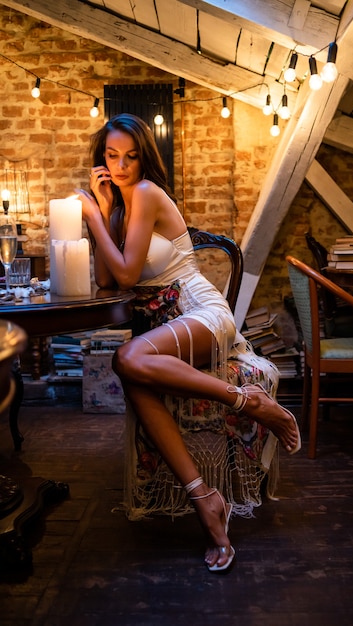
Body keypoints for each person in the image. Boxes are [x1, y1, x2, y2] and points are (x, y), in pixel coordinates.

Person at [76, 113, 301, 572]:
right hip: (163, 325)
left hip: (200, 312)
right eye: (111, 156)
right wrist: (100, 212)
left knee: (128, 358)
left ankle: (248, 400)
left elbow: (123, 274)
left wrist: (91, 218)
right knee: (134, 372)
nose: (120, 166)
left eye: (131, 157)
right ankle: (206, 500)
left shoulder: (144, 193)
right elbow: (104, 279)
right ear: (102, 157)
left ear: (145, 159)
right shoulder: (118, 204)